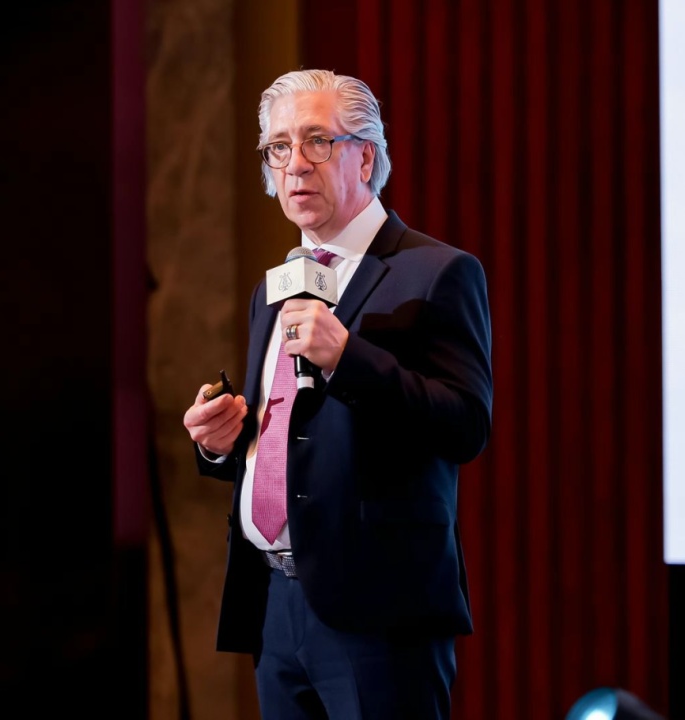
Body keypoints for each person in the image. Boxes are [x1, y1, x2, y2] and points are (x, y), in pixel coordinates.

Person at [181, 68, 493, 720]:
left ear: (366, 158)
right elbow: (295, 441)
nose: (295, 164)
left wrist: (351, 360)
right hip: (276, 606)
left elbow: (465, 426)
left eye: (317, 141)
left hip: (379, 615)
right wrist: (223, 443)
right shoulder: (273, 288)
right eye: (278, 147)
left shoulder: (436, 272)